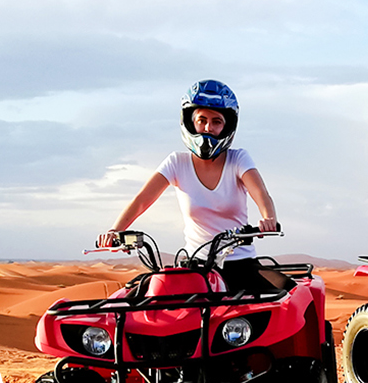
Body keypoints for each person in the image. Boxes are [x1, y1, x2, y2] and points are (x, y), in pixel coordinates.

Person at [100, 80, 287, 291]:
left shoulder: (238, 159)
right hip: (194, 266)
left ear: (227, 126)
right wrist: (115, 231)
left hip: (239, 264)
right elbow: (142, 200)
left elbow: (260, 193)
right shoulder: (176, 162)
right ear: (190, 122)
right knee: (135, 302)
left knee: (285, 297)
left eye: (217, 121)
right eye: (202, 120)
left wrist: (268, 218)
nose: (208, 127)